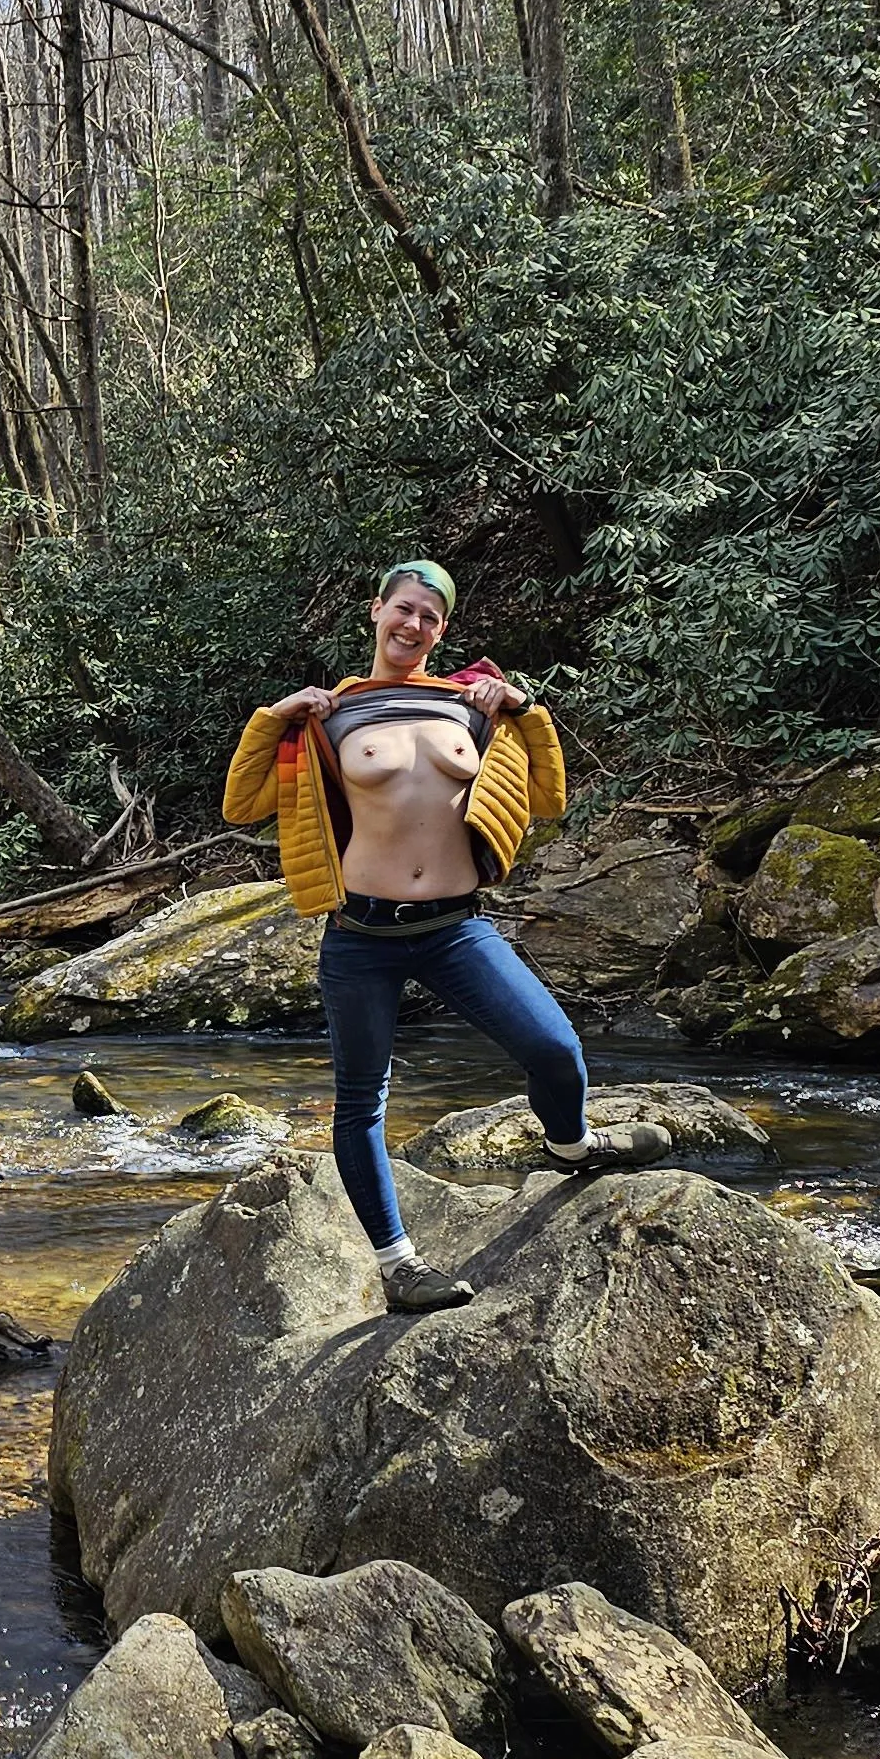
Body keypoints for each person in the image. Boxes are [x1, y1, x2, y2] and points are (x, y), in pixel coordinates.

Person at [222, 556, 655, 1313]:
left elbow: (549, 798)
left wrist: (524, 709)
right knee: (361, 1101)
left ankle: (571, 1145)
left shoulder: (470, 709)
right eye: (404, 608)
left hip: (456, 928)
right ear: (376, 610)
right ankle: (399, 1266)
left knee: (555, 1048)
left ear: (441, 630)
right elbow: (241, 805)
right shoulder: (331, 714)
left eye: (430, 615)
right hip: (361, 934)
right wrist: (274, 717)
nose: (413, 624)